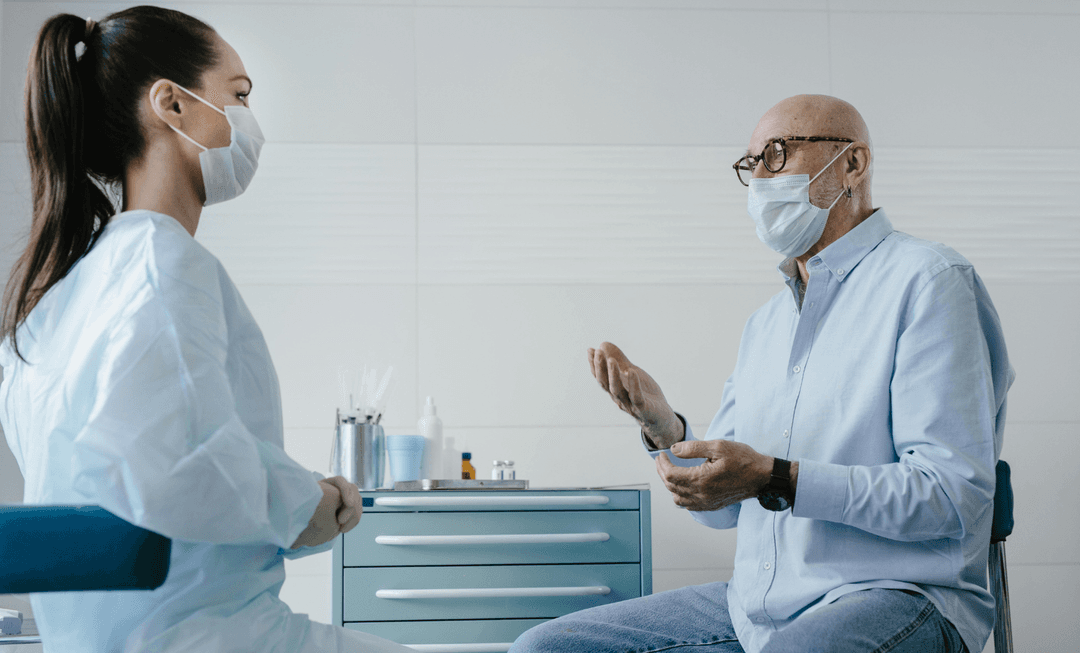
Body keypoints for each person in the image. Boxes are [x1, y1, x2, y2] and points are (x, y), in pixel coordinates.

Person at [510, 95, 1014, 653]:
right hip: (756, 609)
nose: (760, 180)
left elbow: (950, 496)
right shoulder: (767, 324)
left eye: (777, 154)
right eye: (751, 164)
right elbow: (723, 512)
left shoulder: (929, 282)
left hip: (899, 595)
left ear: (853, 164)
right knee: (543, 649)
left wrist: (776, 478)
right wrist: (665, 429)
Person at [0, 7, 412, 652]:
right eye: (239, 96)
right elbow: (172, 462)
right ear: (172, 104)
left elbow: (139, 475)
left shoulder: (57, 301)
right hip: (208, 638)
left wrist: (302, 504)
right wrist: (308, 503)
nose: (250, 122)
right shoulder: (159, 260)